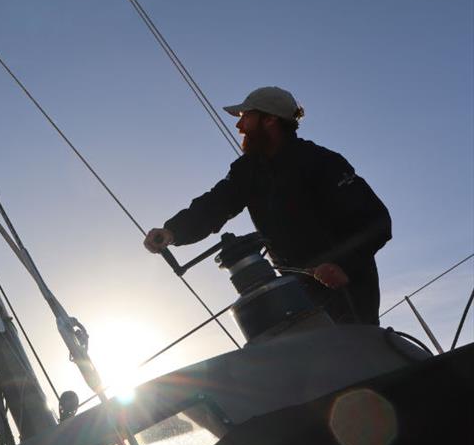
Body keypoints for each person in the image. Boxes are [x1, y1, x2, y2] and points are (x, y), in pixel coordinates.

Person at [144, 86, 391, 324]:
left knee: (356, 356)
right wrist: (172, 232)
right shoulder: (248, 170)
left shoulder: (322, 162)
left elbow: (375, 220)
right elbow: (216, 203)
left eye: (245, 117)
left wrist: (341, 263)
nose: (239, 126)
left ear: (270, 120)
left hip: (348, 289)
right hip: (297, 293)